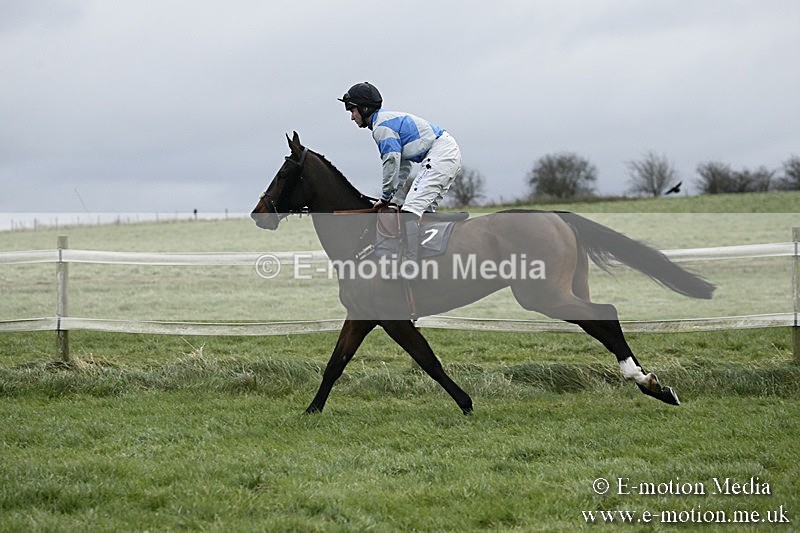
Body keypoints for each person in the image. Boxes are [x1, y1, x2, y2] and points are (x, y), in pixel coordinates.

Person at [338, 82, 462, 265]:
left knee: (410, 211)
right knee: (423, 212)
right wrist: (393, 196)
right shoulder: (384, 123)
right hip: (445, 153)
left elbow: (391, 162)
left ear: (364, 108)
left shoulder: (382, 127)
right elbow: (403, 166)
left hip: (440, 154)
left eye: (352, 111)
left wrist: (386, 196)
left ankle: (411, 264)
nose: (352, 117)